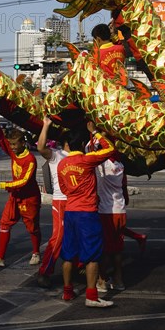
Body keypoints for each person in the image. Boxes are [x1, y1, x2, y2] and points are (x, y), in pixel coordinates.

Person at [58, 121, 115, 308]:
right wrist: (96, 132)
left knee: (68, 254)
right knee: (92, 255)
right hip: (87, 212)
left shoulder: (62, 164)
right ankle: (91, 295)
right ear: (82, 144)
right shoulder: (87, 159)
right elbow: (110, 149)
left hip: (71, 211)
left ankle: (67, 291)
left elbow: (65, 189)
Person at [0, 110, 42, 267]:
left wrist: (1, 185)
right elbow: (1, 139)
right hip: (15, 196)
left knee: (32, 227)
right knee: (4, 223)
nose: (12, 147)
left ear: (23, 143)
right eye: (11, 145)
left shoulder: (30, 160)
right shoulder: (13, 151)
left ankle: (36, 252)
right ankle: (0, 257)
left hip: (29, 198)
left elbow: (23, 181)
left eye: (15, 144)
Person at [87, 134, 127, 293]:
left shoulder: (101, 165)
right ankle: (119, 279)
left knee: (103, 248)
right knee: (117, 249)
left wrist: (94, 132)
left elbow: (89, 150)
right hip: (120, 210)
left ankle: (102, 279)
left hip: (105, 212)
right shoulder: (120, 166)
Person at [36, 116, 68, 288]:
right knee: (59, 236)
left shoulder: (83, 154)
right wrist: (46, 125)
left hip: (80, 202)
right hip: (62, 201)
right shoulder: (57, 155)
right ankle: (45, 270)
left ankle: (78, 267)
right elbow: (41, 147)